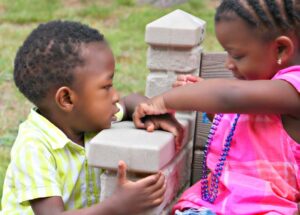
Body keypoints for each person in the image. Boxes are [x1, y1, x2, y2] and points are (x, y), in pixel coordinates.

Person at [133, 0, 300, 214]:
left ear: (281, 48)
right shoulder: (259, 91)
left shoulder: (294, 88)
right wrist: (208, 105)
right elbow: (249, 133)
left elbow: (229, 96)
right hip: (211, 204)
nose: (228, 64)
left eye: (237, 55)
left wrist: (165, 101)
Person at [1, 20, 183, 215]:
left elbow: (129, 102)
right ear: (67, 99)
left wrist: (148, 110)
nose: (114, 96)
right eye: (106, 87)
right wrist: (117, 205)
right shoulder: (34, 148)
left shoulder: (87, 117)